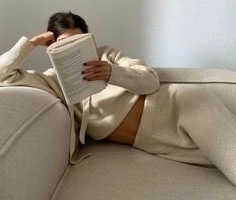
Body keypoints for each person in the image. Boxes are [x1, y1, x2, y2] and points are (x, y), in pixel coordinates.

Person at [1, 11, 236, 186]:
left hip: (181, 103)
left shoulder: (108, 55)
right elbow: (4, 75)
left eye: (78, 41)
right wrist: (30, 44)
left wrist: (112, 72)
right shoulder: (52, 81)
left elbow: (150, 80)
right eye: (64, 44)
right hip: (155, 138)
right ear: (51, 47)